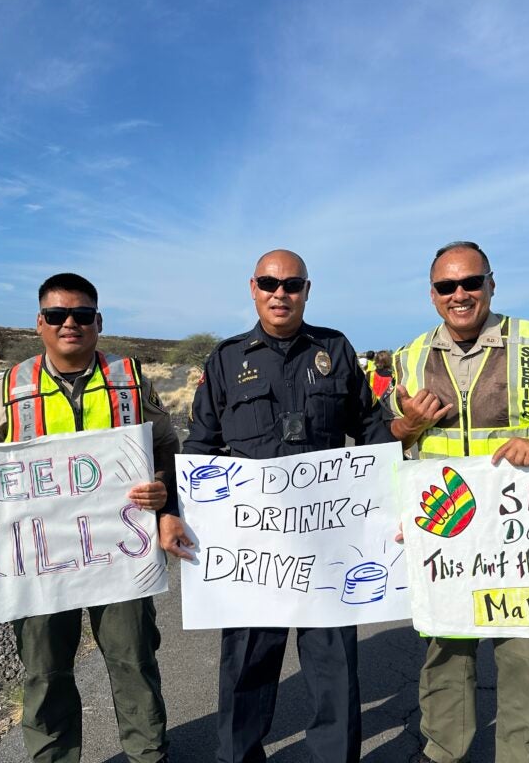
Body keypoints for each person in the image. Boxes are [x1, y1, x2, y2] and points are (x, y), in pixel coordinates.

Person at [0, 273, 177, 763]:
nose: (70, 324)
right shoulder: (12, 388)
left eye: (82, 316)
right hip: (37, 564)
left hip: (120, 556)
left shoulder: (130, 380)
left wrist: (162, 490)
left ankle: (149, 755)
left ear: (98, 323)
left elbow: (165, 444)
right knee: (44, 671)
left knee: (134, 661)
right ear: (40, 323)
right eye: (58, 316)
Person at [159, 249, 397, 763]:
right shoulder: (225, 359)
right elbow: (200, 445)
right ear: (253, 288)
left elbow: (373, 433)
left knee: (333, 670)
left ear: (307, 290)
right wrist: (175, 509)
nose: (280, 293)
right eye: (270, 283)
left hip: (327, 546)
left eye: (292, 284)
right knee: (245, 667)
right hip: (253, 550)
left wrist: (395, 503)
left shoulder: (335, 349)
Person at [387, 241, 529, 763]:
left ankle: (525, 757)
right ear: (433, 295)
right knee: (444, 655)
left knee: (524, 658)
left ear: (491, 283)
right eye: (447, 286)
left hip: (521, 536)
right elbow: (389, 440)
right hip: (445, 533)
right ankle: (443, 752)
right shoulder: (408, 357)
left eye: (471, 282)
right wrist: (409, 425)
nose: (460, 294)